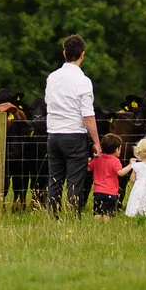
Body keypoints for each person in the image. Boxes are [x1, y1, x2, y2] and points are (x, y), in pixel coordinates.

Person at [42, 35, 102, 217]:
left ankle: (52, 215)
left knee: (55, 179)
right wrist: (96, 141)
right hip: (73, 134)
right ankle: (72, 216)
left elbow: (48, 102)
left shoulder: (52, 78)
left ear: (64, 54)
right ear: (82, 54)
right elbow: (87, 114)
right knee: (75, 179)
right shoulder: (83, 81)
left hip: (53, 134)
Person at [88, 133, 124, 217]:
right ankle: (107, 227)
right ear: (116, 149)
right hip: (110, 192)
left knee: (97, 213)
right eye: (120, 149)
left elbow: (88, 168)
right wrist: (131, 165)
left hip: (97, 191)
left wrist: (88, 161)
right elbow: (120, 173)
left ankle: (97, 227)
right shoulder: (115, 161)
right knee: (108, 214)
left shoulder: (97, 159)